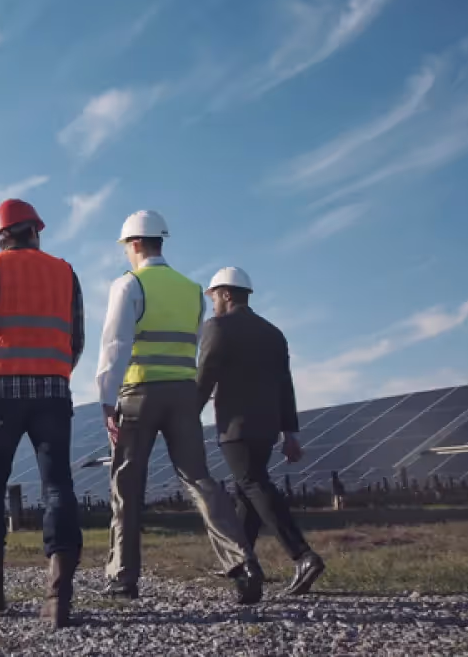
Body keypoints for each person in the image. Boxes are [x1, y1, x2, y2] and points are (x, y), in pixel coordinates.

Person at [95, 210, 263, 604]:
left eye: (125, 248)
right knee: (199, 479)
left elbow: (115, 347)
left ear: (134, 244)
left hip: (139, 395)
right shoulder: (191, 289)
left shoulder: (129, 284)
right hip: (184, 396)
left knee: (127, 483)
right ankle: (243, 562)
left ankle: (123, 578)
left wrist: (106, 399)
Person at [0, 198, 86, 628]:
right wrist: (56, 372)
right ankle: (58, 595)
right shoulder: (66, 272)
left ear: (1, 234)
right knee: (57, 485)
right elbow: (77, 338)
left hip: (1, 392)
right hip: (53, 391)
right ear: (36, 229)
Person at [197, 267, 326, 596]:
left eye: (213, 297)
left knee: (253, 484)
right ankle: (244, 570)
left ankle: (303, 555)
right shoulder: (274, 333)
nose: (212, 305)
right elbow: (286, 384)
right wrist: (291, 432)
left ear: (226, 294)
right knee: (247, 492)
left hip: (235, 426)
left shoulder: (218, 327)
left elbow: (206, 374)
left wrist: (185, 415)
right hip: (267, 427)